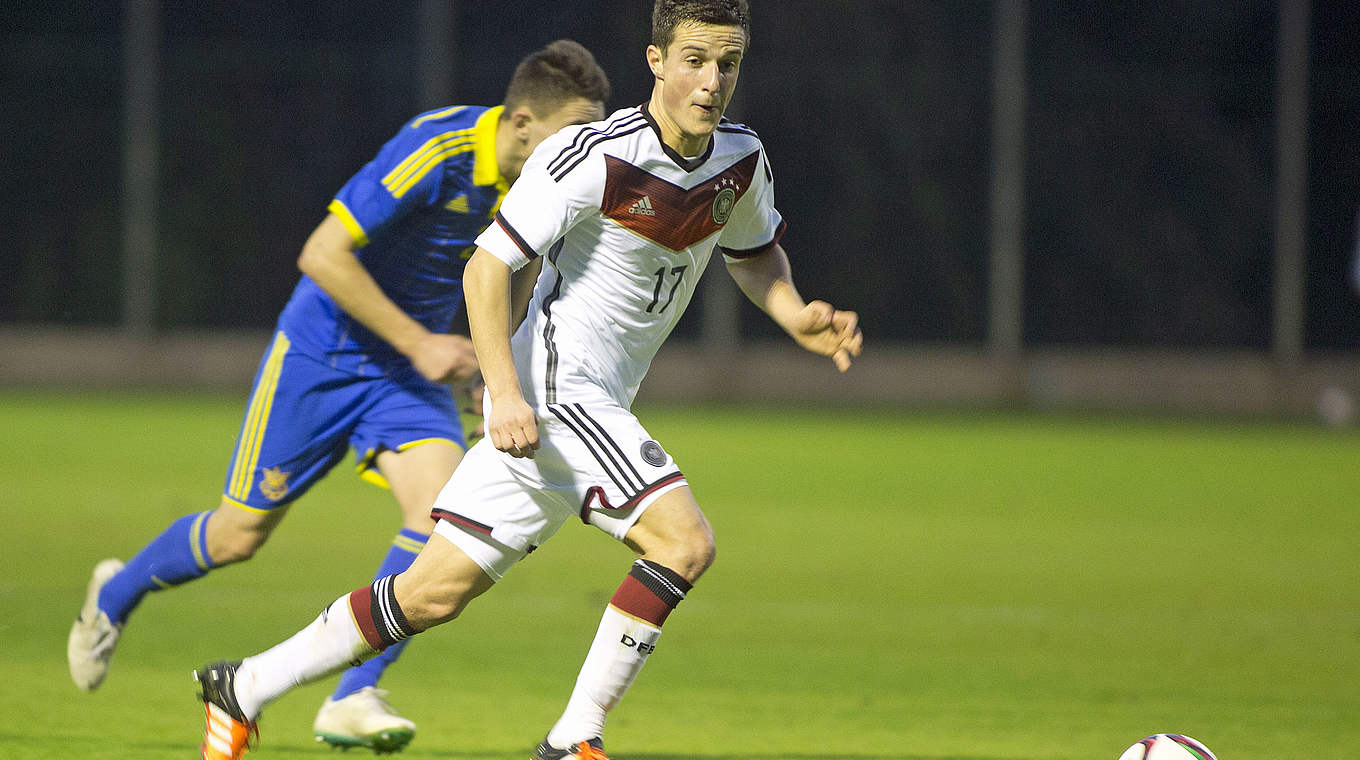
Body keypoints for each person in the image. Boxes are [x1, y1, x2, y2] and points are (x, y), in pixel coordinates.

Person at [191, 2, 862, 758]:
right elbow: (488, 266)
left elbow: (753, 252)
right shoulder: (590, 154)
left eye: (728, 63)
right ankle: (572, 740)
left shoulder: (739, 159)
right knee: (683, 543)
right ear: (656, 61)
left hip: (582, 403)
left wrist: (795, 312)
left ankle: (241, 685)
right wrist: (503, 391)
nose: (712, 81)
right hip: (556, 390)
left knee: (429, 593)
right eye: (695, 60)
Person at [68, 39, 609, 753]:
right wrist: (420, 342)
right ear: (519, 122)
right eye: (573, 135)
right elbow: (321, 254)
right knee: (237, 536)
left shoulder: (544, 185)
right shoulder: (435, 148)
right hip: (321, 357)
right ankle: (114, 595)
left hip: (404, 380)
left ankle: (353, 696)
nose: (586, 152)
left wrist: (495, 376)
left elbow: (519, 274)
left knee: (441, 512)